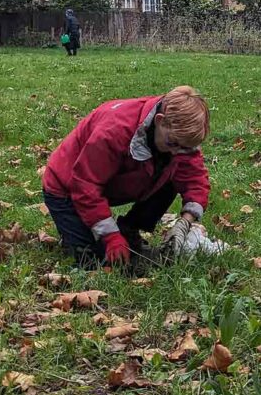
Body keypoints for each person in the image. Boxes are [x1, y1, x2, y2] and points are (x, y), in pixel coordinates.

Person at [42, 86, 211, 270]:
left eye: (185, 148)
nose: (177, 151)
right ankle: (89, 234)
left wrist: (185, 222)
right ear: (160, 121)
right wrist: (110, 236)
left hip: (109, 183)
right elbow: (85, 185)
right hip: (65, 187)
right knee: (91, 260)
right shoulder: (114, 131)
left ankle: (129, 229)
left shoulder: (179, 137)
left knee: (173, 172)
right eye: (173, 144)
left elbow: (194, 179)